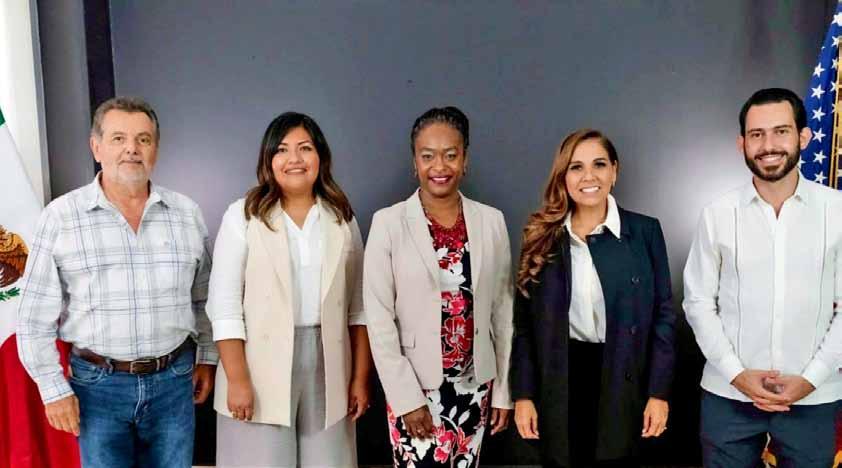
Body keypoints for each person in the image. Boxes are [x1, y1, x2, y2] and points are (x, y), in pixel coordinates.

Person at [16, 96, 216, 468]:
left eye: (143, 139)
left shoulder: (186, 213)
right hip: (97, 389)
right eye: (118, 138)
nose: (132, 149)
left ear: (156, 148)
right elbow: (32, 318)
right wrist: (52, 389)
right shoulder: (61, 217)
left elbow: (204, 298)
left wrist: (207, 357)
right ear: (96, 147)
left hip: (175, 383)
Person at [683, 88, 842, 467]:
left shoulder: (837, 211)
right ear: (742, 143)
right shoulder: (718, 214)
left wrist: (811, 377)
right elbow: (698, 302)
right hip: (728, 397)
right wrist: (736, 374)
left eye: (781, 131)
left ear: (804, 137)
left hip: (815, 397)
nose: (768, 145)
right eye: (757, 134)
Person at [207, 111, 372, 467]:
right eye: (282, 149)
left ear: (320, 156)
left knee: (330, 461)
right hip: (256, 362)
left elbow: (359, 308)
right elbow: (224, 305)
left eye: (305, 148)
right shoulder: (243, 215)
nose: (294, 159)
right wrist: (237, 378)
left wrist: (360, 378)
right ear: (268, 159)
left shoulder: (341, 217)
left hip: (329, 362)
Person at [510, 129, 676, 467]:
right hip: (560, 380)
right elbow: (524, 327)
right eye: (576, 167)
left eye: (599, 164)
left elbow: (664, 317)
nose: (589, 176)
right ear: (563, 176)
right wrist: (524, 395)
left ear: (614, 171)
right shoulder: (541, 236)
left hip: (623, 376)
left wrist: (658, 393)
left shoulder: (644, 232)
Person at [364, 106, 513, 467]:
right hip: (415, 386)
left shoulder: (492, 222)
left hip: (475, 386)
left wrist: (503, 392)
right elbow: (379, 320)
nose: (439, 166)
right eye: (427, 156)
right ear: (414, 162)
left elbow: (503, 314)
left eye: (450, 155)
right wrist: (405, 398)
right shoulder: (388, 223)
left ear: (465, 159)